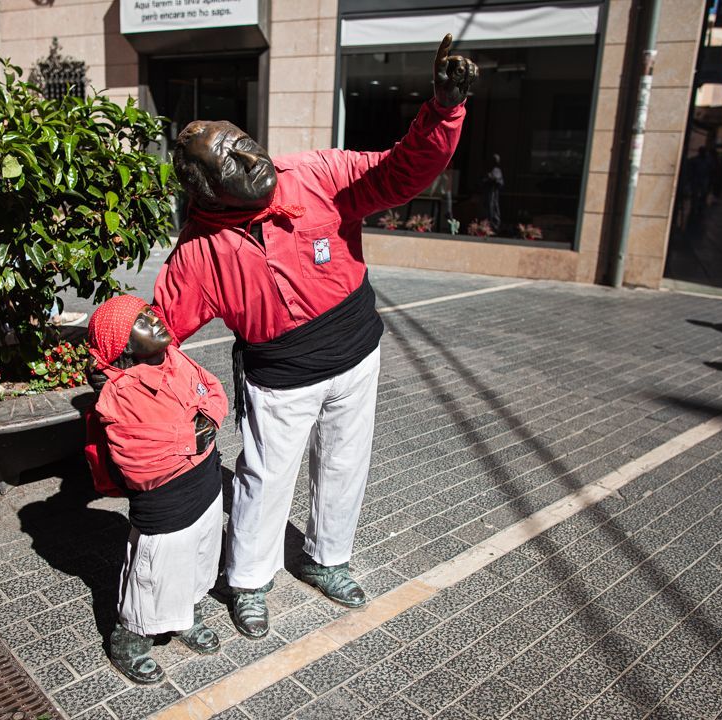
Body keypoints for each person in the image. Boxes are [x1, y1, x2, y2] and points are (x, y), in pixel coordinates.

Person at [151, 34, 477, 638]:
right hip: (281, 378)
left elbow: (399, 170)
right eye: (230, 159)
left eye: (247, 144)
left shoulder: (313, 174)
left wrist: (442, 111)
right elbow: (158, 335)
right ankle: (248, 580)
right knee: (266, 478)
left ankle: (329, 558)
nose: (253, 160)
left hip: (357, 351)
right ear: (202, 188)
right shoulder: (198, 253)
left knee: (346, 463)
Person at [83, 295, 229, 683]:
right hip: (166, 498)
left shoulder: (177, 359)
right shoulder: (120, 392)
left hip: (206, 481)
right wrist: (190, 438)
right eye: (142, 322)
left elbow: (212, 390)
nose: (156, 320)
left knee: (202, 555)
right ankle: (131, 638)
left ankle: (187, 614)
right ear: (123, 345)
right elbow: (137, 459)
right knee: (155, 571)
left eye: (150, 312)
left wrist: (210, 418)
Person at [484, 153, 504, 231]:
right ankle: (487, 225)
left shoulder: (498, 171)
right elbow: (482, 181)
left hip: (494, 193)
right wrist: (488, 180)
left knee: (495, 208)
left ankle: (495, 226)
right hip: (488, 193)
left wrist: (495, 180)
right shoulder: (487, 170)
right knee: (487, 208)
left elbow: (501, 182)